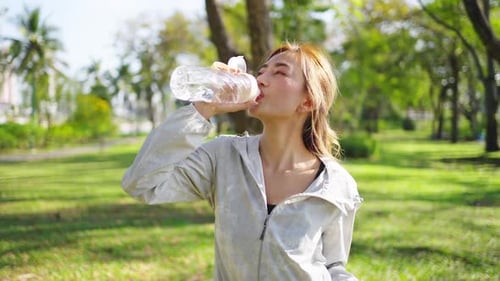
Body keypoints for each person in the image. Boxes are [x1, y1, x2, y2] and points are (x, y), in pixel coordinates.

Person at [121, 42, 362, 281]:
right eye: (261, 72)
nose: (261, 80)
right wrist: (204, 109)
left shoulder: (336, 185)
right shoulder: (223, 157)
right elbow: (142, 183)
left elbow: (333, 266)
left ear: (308, 101)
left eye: (279, 72)